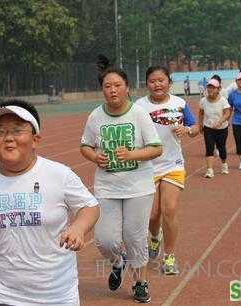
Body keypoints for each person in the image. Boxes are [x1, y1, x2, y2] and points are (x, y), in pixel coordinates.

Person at [0, 100, 100, 306]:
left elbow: (89, 206)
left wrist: (79, 228)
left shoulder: (58, 174)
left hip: (55, 294)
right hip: (2, 294)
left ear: (35, 139)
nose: (8, 138)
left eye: (17, 130)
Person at [80, 60, 162, 303]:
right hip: (107, 186)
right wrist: (95, 156)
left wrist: (132, 154)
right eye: (107, 86)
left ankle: (140, 283)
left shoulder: (138, 113)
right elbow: (85, 145)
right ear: (102, 90)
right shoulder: (95, 116)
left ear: (127, 87)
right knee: (105, 240)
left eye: (117, 85)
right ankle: (118, 261)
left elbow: (156, 148)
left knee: (135, 237)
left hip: (138, 187)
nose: (112, 90)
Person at [135, 66, 198, 275]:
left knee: (169, 209)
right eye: (152, 81)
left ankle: (169, 256)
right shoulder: (139, 106)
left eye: (161, 80)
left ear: (169, 82)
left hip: (173, 164)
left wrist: (187, 129)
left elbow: (195, 126)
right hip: (148, 167)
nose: (157, 84)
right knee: (152, 215)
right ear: (147, 84)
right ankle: (155, 237)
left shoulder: (179, 104)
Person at [198, 77, 231, 178]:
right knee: (209, 148)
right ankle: (209, 170)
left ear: (218, 89)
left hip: (222, 129)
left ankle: (224, 164)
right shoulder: (203, 101)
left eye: (213, 88)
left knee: (221, 148)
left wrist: (219, 122)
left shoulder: (223, 100)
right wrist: (200, 125)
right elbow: (201, 113)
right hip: (208, 128)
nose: (210, 89)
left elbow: (227, 113)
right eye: (209, 87)